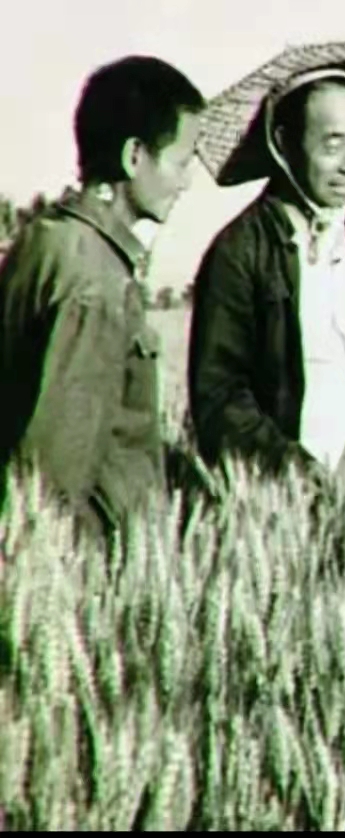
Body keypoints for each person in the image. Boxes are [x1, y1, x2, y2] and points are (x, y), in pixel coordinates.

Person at [187, 66, 345, 487]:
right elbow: (218, 396)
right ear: (283, 143)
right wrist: (297, 470)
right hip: (283, 494)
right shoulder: (239, 251)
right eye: (332, 144)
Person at [0, 55, 205, 543]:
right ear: (135, 156)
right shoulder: (96, 282)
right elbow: (54, 476)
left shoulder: (43, 239)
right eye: (181, 162)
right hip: (92, 558)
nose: (186, 182)